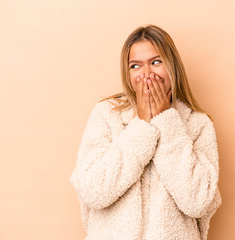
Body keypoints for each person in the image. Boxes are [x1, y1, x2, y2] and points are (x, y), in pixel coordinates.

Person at [69, 24, 222, 240]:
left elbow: (198, 201)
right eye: (135, 66)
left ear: (173, 67)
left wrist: (166, 122)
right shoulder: (106, 114)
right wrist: (141, 124)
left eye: (156, 62)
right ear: (127, 73)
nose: (146, 75)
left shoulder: (198, 124)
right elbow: (93, 191)